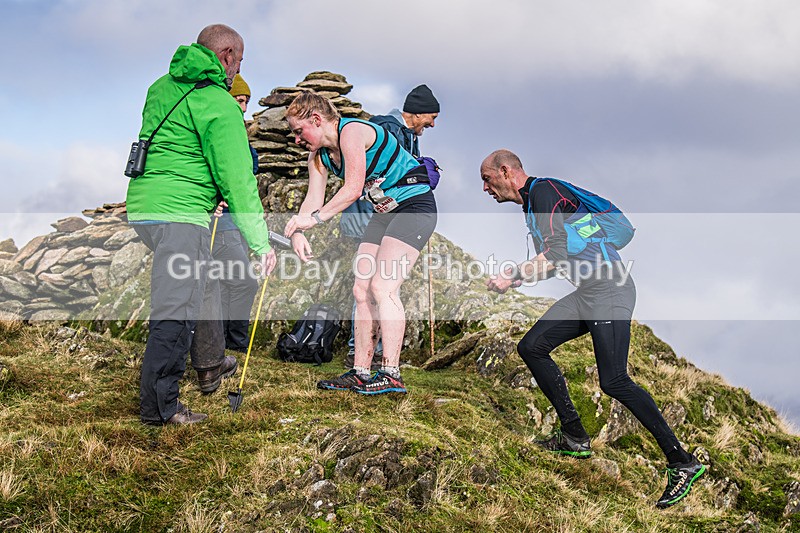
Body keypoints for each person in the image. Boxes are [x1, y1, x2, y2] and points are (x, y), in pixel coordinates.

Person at [479, 149, 705, 508]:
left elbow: (553, 253)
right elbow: (559, 259)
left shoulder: (544, 193)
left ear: (505, 171)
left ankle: (682, 461)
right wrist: (519, 280)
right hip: (589, 291)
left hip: (610, 289)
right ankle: (574, 437)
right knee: (532, 346)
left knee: (614, 381)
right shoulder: (534, 207)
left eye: (487, 180)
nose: (486, 190)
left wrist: (512, 274)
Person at [126, 24, 276, 425]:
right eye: (239, 60)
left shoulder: (160, 87)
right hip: (181, 214)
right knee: (177, 310)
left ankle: (209, 363)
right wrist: (261, 244)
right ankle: (161, 409)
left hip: (145, 208)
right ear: (226, 55)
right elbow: (239, 180)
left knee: (201, 281)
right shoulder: (219, 103)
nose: (238, 68)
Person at [283, 92, 437, 395]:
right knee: (361, 289)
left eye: (299, 131)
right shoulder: (319, 156)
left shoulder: (351, 131)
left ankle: (391, 373)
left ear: (316, 119)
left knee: (383, 287)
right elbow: (312, 201)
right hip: (384, 213)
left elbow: (353, 189)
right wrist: (298, 231)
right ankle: (361, 371)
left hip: (414, 207)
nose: (297, 139)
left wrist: (314, 220)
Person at [340, 84, 442, 369]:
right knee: (370, 284)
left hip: (387, 215)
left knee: (375, 284)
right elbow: (380, 177)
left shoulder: (406, 134)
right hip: (370, 216)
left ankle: (371, 354)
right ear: (417, 112)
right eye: (431, 117)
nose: (432, 124)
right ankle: (362, 353)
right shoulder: (388, 129)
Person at [211, 73, 261, 353]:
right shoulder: (221, 131)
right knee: (243, 283)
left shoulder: (239, 136)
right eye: (238, 100)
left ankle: (223, 346)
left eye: (246, 102)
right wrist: (216, 199)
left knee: (228, 283)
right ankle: (235, 346)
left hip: (238, 222)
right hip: (222, 224)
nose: (243, 107)